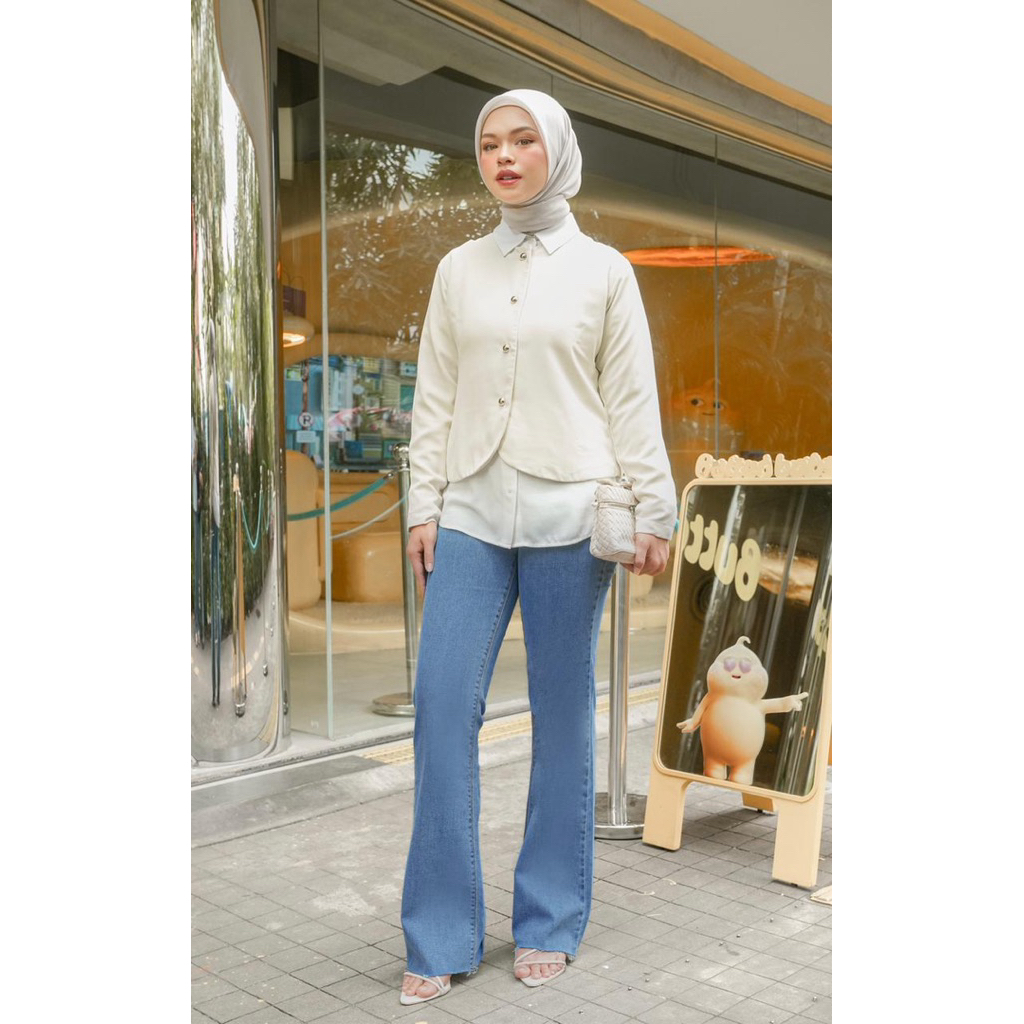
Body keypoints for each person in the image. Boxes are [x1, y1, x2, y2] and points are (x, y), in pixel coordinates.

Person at [399, 88, 677, 1006]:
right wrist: (422, 502)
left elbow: (631, 397)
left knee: (563, 718)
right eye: (490, 143)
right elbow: (434, 395)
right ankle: (441, 931)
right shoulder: (457, 270)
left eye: (523, 140)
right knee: (442, 705)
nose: (505, 156)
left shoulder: (605, 272)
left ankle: (549, 918)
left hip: (572, 515)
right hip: (471, 511)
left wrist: (655, 511)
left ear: (557, 151)